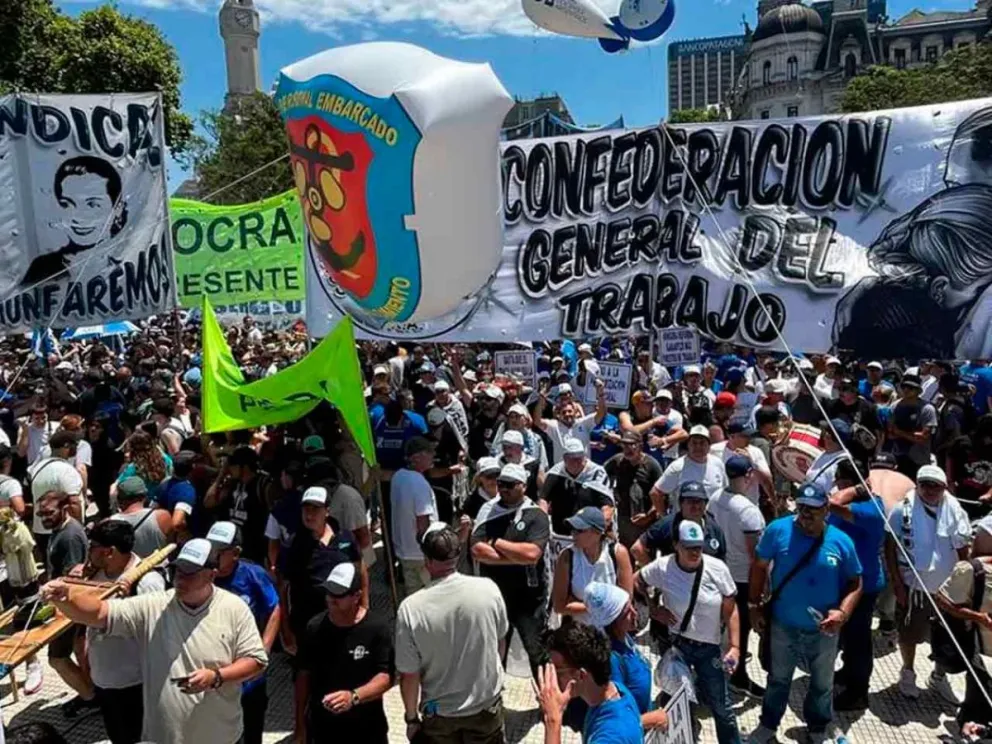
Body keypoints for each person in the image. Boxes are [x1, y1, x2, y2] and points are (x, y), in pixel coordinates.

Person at [41, 538, 268, 744]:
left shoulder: (234, 608)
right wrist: (68, 597)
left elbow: (256, 661)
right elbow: (100, 613)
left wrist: (216, 677)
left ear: (212, 574)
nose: (180, 578)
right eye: (177, 570)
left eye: (190, 572)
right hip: (162, 737)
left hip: (221, 737)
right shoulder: (153, 606)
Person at [748, 483, 863, 744]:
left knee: (822, 684)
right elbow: (758, 566)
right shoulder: (777, 530)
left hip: (824, 629)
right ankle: (768, 725)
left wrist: (843, 613)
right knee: (778, 678)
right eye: (802, 508)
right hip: (783, 624)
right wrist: (754, 606)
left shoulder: (842, 542)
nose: (806, 514)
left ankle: (818, 727)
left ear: (827, 510)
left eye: (813, 509)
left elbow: (856, 582)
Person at [398, 524, 508, 744]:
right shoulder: (489, 589)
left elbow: (409, 675)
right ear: (458, 555)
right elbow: (500, 644)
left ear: (427, 560)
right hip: (486, 708)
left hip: (439, 716)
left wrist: (411, 719)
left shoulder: (410, 608)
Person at [636, 521, 741, 744]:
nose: (695, 552)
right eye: (688, 547)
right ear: (676, 545)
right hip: (678, 646)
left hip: (709, 649)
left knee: (722, 707)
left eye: (698, 547)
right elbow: (637, 581)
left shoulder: (717, 569)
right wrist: (654, 609)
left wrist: (734, 647)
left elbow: (731, 609)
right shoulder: (662, 567)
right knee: (678, 703)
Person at [885, 463, 971, 701]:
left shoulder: (956, 510)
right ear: (918, 484)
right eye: (925, 485)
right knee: (909, 632)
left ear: (944, 487)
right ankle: (908, 671)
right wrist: (897, 584)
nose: (931, 490)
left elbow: (963, 549)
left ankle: (939, 677)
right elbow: (890, 547)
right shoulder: (901, 510)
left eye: (936, 486)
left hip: (946, 588)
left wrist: (965, 586)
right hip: (914, 585)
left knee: (945, 635)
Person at [84, 519, 167, 744]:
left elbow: (155, 632)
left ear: (109, 551)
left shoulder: (147, 583)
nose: (88, 551)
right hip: (104, 679)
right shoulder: (93, 574)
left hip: (134, 683)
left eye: (92, 547)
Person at [298, 561, 394, 744]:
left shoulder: (377, 628)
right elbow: (303, 676)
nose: (331, 598)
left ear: (356, 596)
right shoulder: (314, 628)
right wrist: (300, 726)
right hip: (324, 729)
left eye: (339, 594)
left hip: (368, 730)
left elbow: (386, 676)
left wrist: (354, 696)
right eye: (329, 592)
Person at [471, 462, 551, 680]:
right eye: (501, 484)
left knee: (537, 651)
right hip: (495, 594)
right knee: (494, 650)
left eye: (509, 485)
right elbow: (477, 549)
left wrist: (497, 542)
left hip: (530, 599)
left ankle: (547, 701)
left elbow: (532, 554)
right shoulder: (488, 510)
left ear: (523, 486)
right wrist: (516, 558)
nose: (503, 489)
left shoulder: (536, 516)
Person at [206, 522, 282, 744]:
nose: (213, 556)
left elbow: (274, 608)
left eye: (219, 551)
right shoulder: (203, 575)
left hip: (248, 672)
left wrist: (264, 648)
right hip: (215, 667)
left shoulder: (253, 575)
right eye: (210, 549)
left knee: (251, 727)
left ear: (236, 553)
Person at [826, 458, 889, 711]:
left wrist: (855, 490)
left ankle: (859, 691)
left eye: (840, 481)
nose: (836, 486)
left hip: (864, 585)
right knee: (849, 637)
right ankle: (848, 670)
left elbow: (829, 504)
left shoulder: (870, 508)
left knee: (859, 639)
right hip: (843, 580)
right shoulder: (850, 504)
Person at [706, 455, 766, 698]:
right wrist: (759, 594)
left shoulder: (713, 500)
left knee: (720, 626)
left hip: (718, 573)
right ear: (749, 475)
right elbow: (756, 558)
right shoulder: (749, 512)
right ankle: (737, 677)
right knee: (740, 632)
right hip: (742, 580)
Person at [20, 155, 128, 286]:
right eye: (67, 204)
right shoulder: (42, 269)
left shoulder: (128, 258)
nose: (77, 216)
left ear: (117, 208)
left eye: (92, 204)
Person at [35, 490, 96, 717]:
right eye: (41, 514)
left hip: (69, 605)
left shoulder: (70, 536)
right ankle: (90, 691)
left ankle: (90, 696)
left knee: (58, 658)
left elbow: (74, 577)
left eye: (49, 513)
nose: (45, 518)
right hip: (63, 604)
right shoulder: (57, 531)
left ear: (64, 509)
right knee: (78, 651)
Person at [536, 622, 643, 744]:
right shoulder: (616, 690)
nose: (552, 678)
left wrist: (552, 719)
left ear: (581, 675)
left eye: (557, 670)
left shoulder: (610, 737)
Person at [582, 581, 668, 729]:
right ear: (613, 622)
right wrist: (651, 719)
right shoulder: (612, 661)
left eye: (631, 605)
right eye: (627, 613)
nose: (635, 613)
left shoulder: (626, 638)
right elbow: (614, 722)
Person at [551, 506, 633, 625]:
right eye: (572, 529)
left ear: (597, 532)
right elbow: (559, 606)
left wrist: (579, 604)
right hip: (580, 632)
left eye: (580, 530)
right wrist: (597, 607)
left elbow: (626, 601)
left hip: (612, 630)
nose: (573, 534)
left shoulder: (618, 554)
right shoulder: (566, 556)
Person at [204, 446, 274, 564]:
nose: (229, 468)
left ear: (244, 467)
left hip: (255, 550)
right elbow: (208, 502)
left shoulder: (263, 485)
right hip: (232, 549)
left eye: (232, 465)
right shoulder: (232, 484)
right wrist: (220, 476)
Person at [390, 436, 439, 596]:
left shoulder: (398, 476)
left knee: (412, 595)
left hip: (403, 550)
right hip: (420, 554)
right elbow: (422, 521)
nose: (433, 456)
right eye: (429, 453)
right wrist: (430, 552)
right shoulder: (418, 482)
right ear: (416, 457)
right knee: (429, 596)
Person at [648, 425, 727, 516]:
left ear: (709, 445)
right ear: (688, 445)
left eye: (702, 443)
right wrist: (665, 517)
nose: (698, 446)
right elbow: (655, 493)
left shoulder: (717, 463)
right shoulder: (677, 467)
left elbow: (724, 491)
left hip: (713, 522)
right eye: (694, 443)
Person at [604, 430, 662, 548]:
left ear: (640, 446)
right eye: (624, 445)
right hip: (624, 518)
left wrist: (649, 515)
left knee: (644, 552)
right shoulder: (617, 461)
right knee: (625, 550)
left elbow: (662, 493)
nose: (628, 448)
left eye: (632, 445)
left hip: (647, 518)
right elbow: (600, 475)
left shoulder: (652, 465)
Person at [888, 373, 938, 480]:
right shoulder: (894, 406)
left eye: (910, 388)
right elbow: (891, 434)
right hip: (898, 457)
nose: (906, 390)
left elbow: (923, 438)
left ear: (917, 390)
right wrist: (910, 434)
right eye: (904, 387)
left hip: (919, 459)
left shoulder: (927, 409)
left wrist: (899, 432)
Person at [109, 477, 171, 557]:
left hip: (130, 569)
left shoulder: (111, 522)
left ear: (119, 499)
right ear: (144, 496)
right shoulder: (162, 516)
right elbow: (171, 547)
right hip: (159, 568)